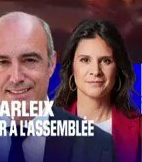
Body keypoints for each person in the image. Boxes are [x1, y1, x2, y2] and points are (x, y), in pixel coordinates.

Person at [0, 11, 116, 162]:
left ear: (51, 64)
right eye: (3, 62)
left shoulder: (97, 147)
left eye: (30, 60)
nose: (16, 77)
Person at [53, 18, 142, 161]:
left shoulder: (138, 129)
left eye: (106, 61)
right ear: (72, 67)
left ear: (117, 68)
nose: (95, 71)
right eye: (85, 60)